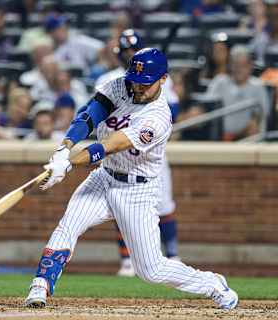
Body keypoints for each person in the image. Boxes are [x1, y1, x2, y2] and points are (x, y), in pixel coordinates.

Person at [24, 48, 238, 310]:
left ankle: (212, 284)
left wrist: (68, 163)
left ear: (163, 79)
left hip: (137, 190)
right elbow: (89, 115)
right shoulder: (120, 86)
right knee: (68, 225)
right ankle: (41, 284)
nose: (138, 87)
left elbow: (110, 145)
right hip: (104, 177)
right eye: (135, 80)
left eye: (145, 83)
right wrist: (63, 148)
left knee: (151, 270)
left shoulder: (158, 117)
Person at [95, 30, 181, 276]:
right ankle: (126, 260)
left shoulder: (158, 78)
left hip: (150, 151)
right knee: (120, 206)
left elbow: (172, 109)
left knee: (164, 204)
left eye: (134, 51)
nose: (130, 55)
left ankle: (173, 254)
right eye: (126, 52)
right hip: (119, 150)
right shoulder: (109, 80)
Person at [206, 45, 270, 141]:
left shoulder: (258, 86)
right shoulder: (219, 81)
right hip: (218, 138)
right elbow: (207, 109)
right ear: (229, 65)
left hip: (245, 139)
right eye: (235, 64)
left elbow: (262, 117)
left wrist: (237, 136)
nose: (239, 69)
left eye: (243, 65)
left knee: (253, 128)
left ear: (250, 66)